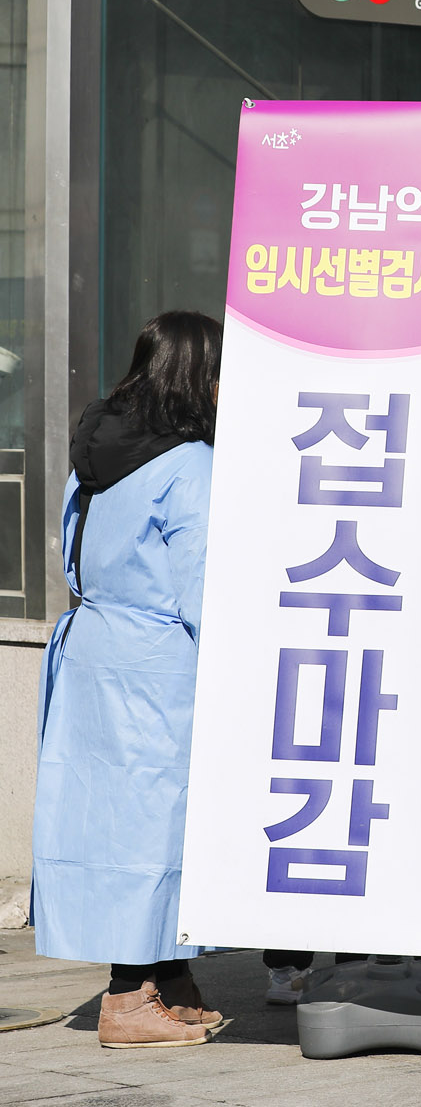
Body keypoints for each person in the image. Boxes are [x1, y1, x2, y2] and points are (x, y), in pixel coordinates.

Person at [34, 311, 224, 1048]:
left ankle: (169, 979)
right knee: (156, 823)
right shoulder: (189, 464)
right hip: (158, 657)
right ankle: (129, 996)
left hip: (92, 645)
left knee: (120, 818)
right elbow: (202, 584)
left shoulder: (97, 447)